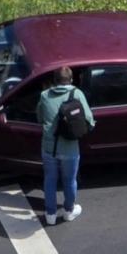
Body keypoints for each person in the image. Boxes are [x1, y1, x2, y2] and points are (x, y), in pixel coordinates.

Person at [36, 66, 95, 226]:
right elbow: (90, 120)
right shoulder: (76, 93)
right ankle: (69, 211)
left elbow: (40, 118)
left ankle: (50, 214)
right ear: (71, 79)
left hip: (49, 148)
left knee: (50, 179)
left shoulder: (44, 95)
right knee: (69, 180)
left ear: (54, 80)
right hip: (70, 148)